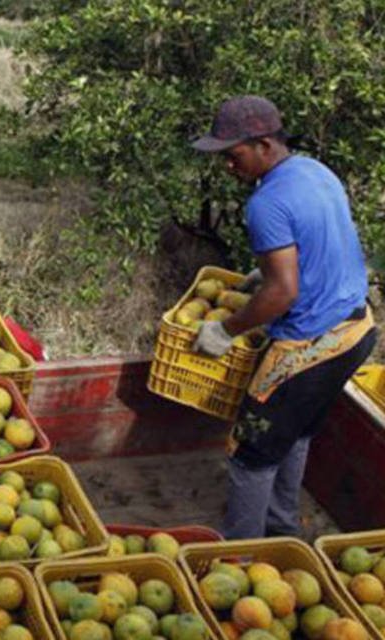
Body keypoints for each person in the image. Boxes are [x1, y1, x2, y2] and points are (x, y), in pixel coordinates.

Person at [191, 95, 377, 540]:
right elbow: (322, 238)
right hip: (357, 332)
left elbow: (282, 292)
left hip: (308, 349)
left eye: (233, 157)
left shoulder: (266, 204)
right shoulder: (314, 170)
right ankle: (281, 530)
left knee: (250, 451)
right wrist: (272, 268)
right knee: (293, 434)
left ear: (264, 145)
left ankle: (236, 559)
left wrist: (225, 330)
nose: (229, 168)